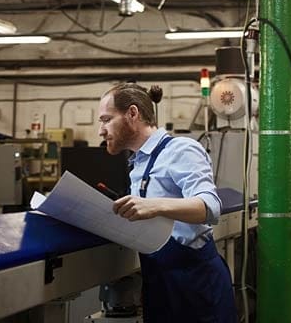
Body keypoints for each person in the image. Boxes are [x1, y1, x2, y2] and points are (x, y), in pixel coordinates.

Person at [97, 82, 236, 323]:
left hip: (196, 287)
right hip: (160, 286)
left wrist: (154, 206)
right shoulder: (138, 163)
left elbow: (210, 206)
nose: (101, 130)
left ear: (132, 113)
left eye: (107, 120)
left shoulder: (180, 150)